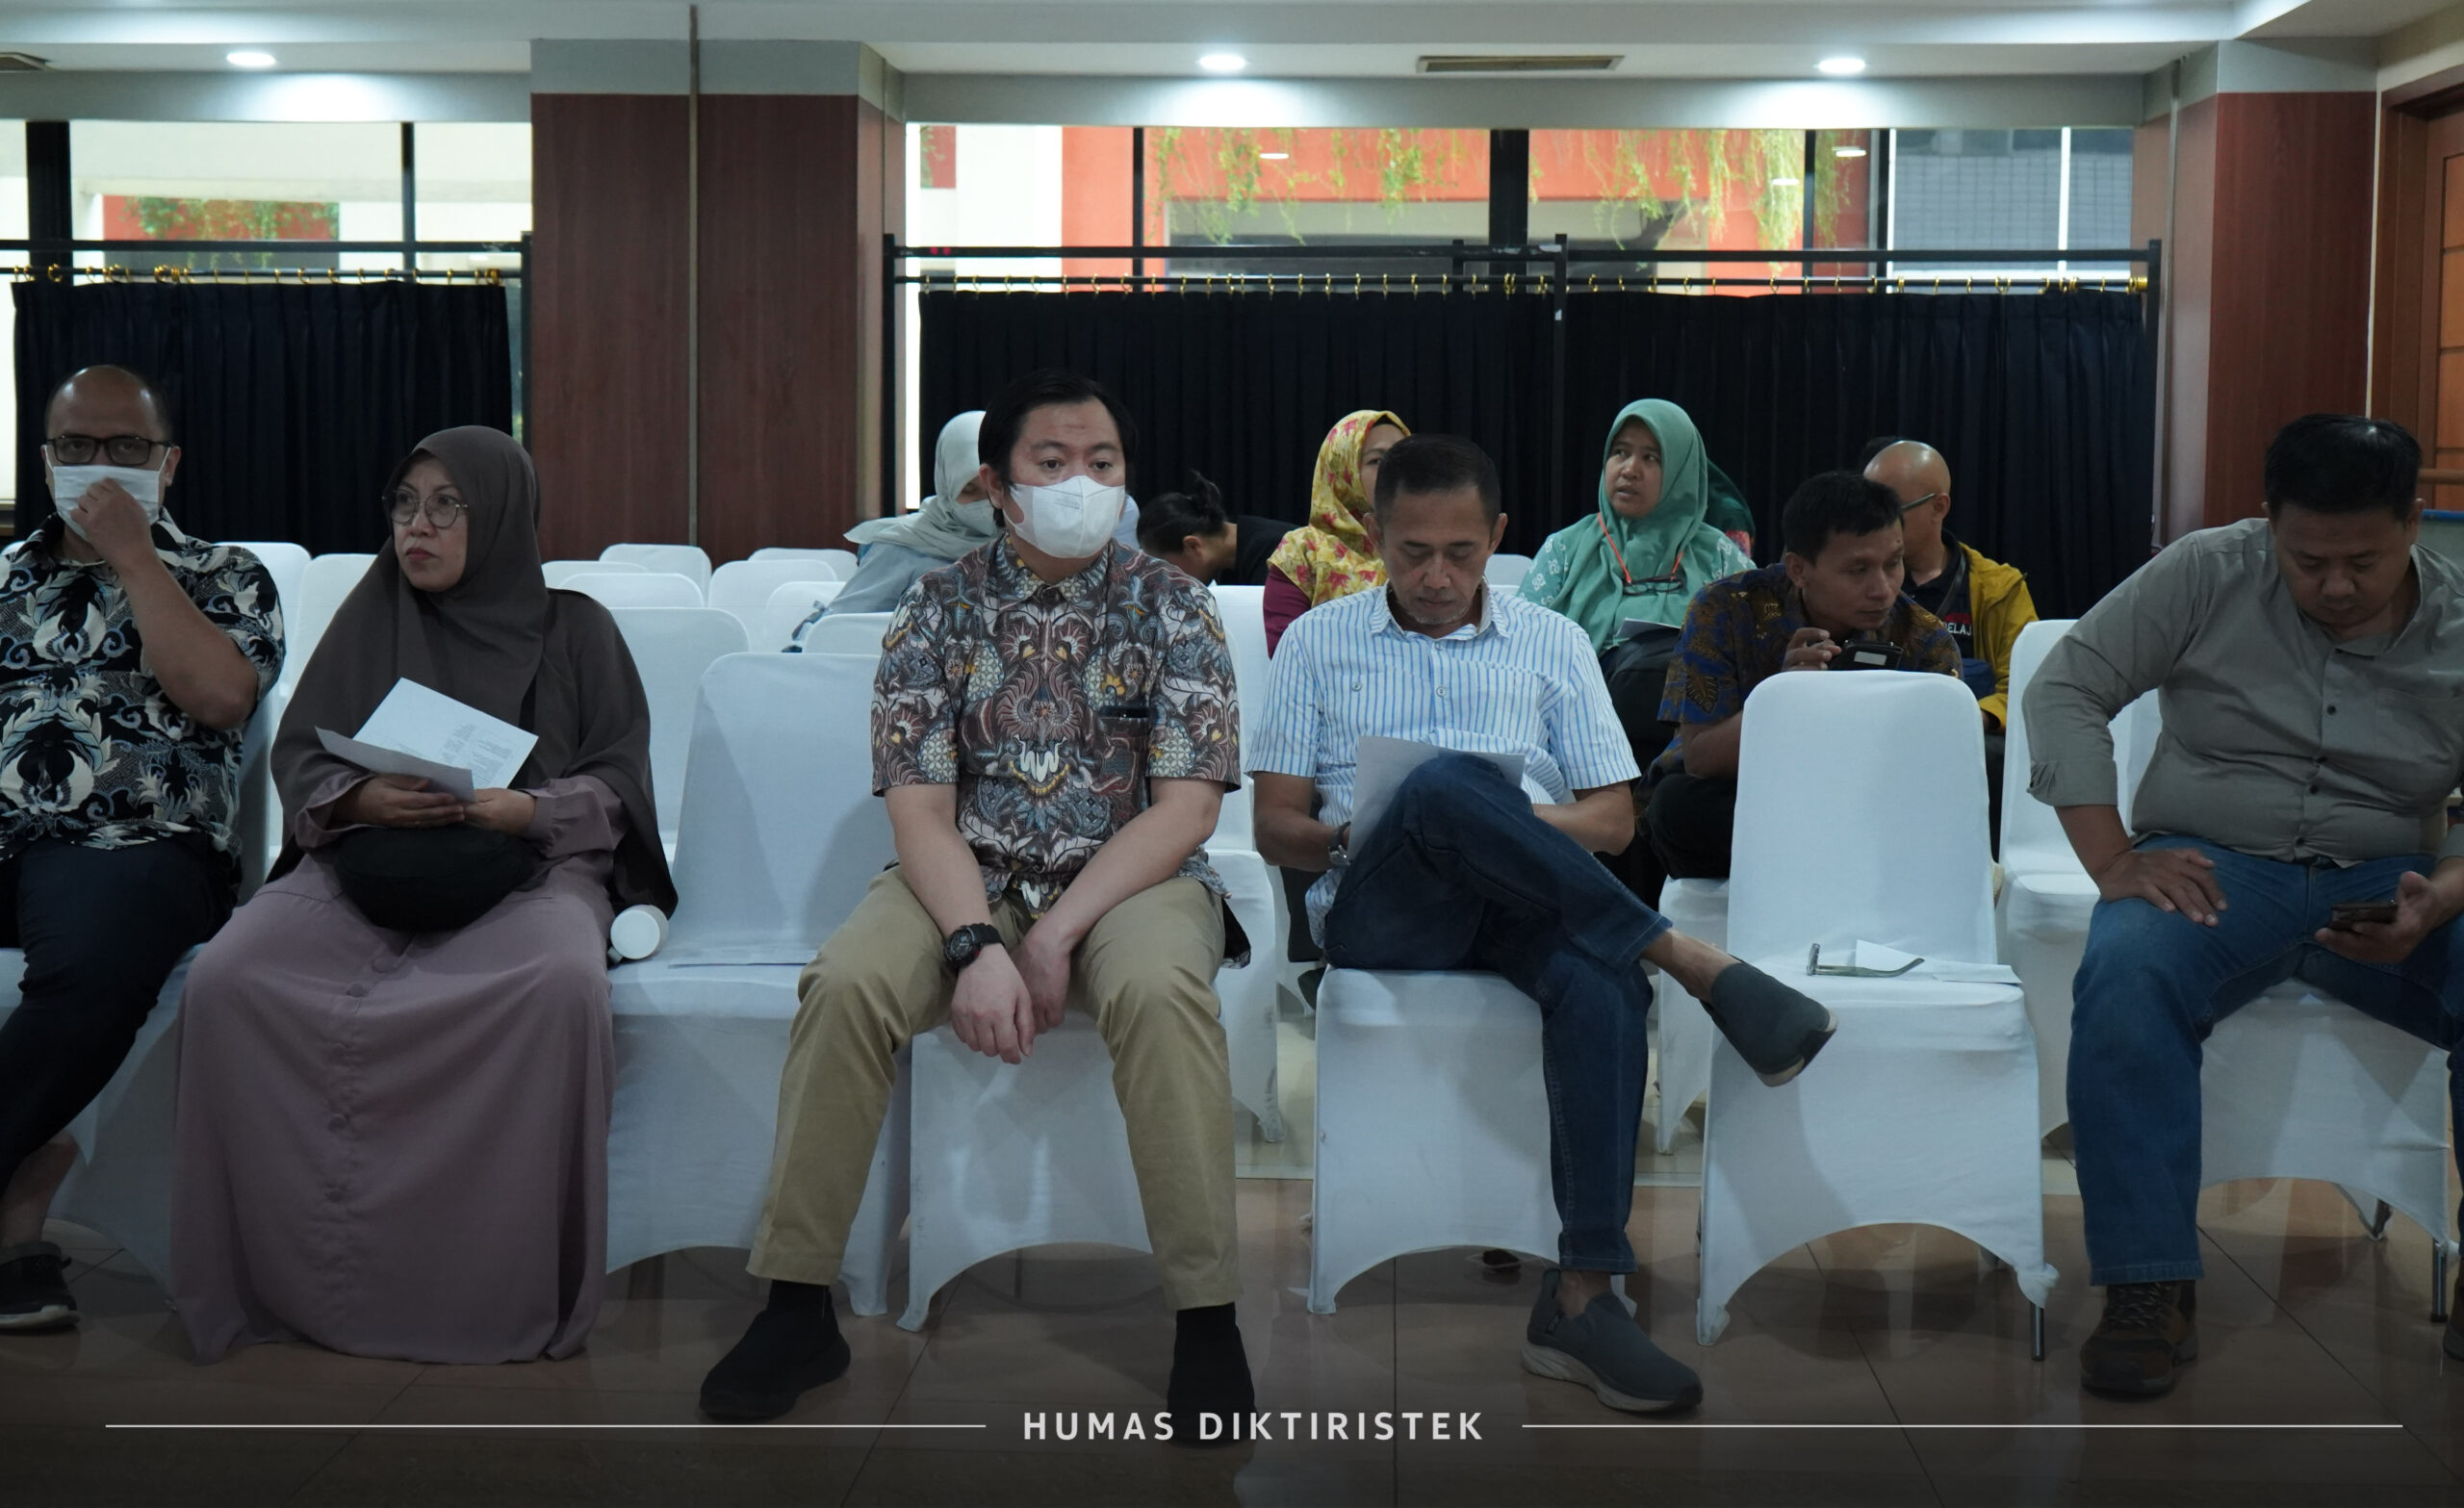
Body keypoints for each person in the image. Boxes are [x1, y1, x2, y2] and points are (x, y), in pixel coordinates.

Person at [701, 370, 1252, 1434]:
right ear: (996, 486)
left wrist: (1054, 934)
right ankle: (797, 1303)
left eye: (1102, 462)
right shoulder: (936, 606)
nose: (1081, 482)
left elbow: (1185, 810)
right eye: (1053, 462)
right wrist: (973, 941)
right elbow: (919, 809)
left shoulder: (1175, 606)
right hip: (966, 871)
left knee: (1162, 996)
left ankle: (1207, 1316)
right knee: (847, 983)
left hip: (1130, 881)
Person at [1249, 433, 1837, 1416]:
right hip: (1384, 909)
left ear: (1497, 536)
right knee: (1442, 786)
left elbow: (1612, 821)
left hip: (1525, 902)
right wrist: (1375, 829)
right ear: (1376, 539)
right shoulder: (1318, 641)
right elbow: (1274, 827)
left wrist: (1495, 824)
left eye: (1460, 552)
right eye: (1411, 552)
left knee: (1600, 978)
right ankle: (1694, 963)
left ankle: (1584, 1293)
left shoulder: (1552, 642)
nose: (1436, 577)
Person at [170, 425, 675, 1365]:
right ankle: (286, 1280)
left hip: (531, 870)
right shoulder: (372, 617)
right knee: (230, 977)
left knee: (558, 986)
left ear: (504, 515)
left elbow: (620, 780)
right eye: (404, 504)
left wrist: (529, 808)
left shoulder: (575, 630)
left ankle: (477, 1283)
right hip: (365, 863)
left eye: (448, 505)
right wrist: (360, 798)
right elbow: (303, 752)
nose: (418, 527)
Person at [2027, 414, 2464, 1399]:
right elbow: (2066, 688)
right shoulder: (2206, 571)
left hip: (2388, 878)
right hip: (2216, 868)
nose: (2336, 585)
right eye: (2308, 560)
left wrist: (2439, 898)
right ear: (2269, 521)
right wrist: (2113, 860)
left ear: (2414, 522)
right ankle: (2147, 1284)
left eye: (2363, 560)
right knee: (2126, 970)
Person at [0, 366, 282, 1333]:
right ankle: (15, 1224)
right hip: (9, 837)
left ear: (170, 463)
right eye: (77, 447)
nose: (101, 464)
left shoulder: (227, 574)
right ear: (46, 463)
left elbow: (221, 698)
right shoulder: (5, 578)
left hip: (135, 843)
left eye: (127, 447)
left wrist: (134, 557)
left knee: (90, 966)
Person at [1644, 471, 1961, 880]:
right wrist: (1783, 696)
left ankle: (1828, 860)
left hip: (1867, 799)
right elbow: (1702, 759)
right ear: (1798, 569)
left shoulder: (1926, 638)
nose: (1882, 589)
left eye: (1893, 563)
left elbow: (1938, 772)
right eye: (1858, 570)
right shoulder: (1724, 608)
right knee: (1678, 805)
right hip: (1754, 797)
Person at [1521, 399, 1755, 653]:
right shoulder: (1564, 550)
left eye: (1650, 458)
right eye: (1620, 452)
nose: (1630, 469)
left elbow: (1765, 637)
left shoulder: (1718, 556)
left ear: (1680, 471)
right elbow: (1520, 642)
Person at [1861, 440, 2038, 731]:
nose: (1872, 523)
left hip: (1964, 741)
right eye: (1866, 510)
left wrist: (1969, 719)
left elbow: (2028, 685)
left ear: (1938, 507)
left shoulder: (1999, 589)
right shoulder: (1848, 582)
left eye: (1889, 510)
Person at [1263, 409, 1408, 652]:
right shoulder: (1303, 551)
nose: (1396, 471)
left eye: (1404, 460)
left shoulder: (1427, 546)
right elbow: (1287, 652)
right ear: (1342, 470)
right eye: (1376, 461)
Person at [829, 412, 999, 616]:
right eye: (969, 490)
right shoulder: (902, 546)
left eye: (995, 488)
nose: (986, 503)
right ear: (946, 487)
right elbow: (838, 624)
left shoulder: (1023, 543)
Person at [1135, 472, 1293, 586]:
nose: (1166, 581)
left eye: (1165, 570)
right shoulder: (1227, 563)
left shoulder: (1280, 552)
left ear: (1193, 545)